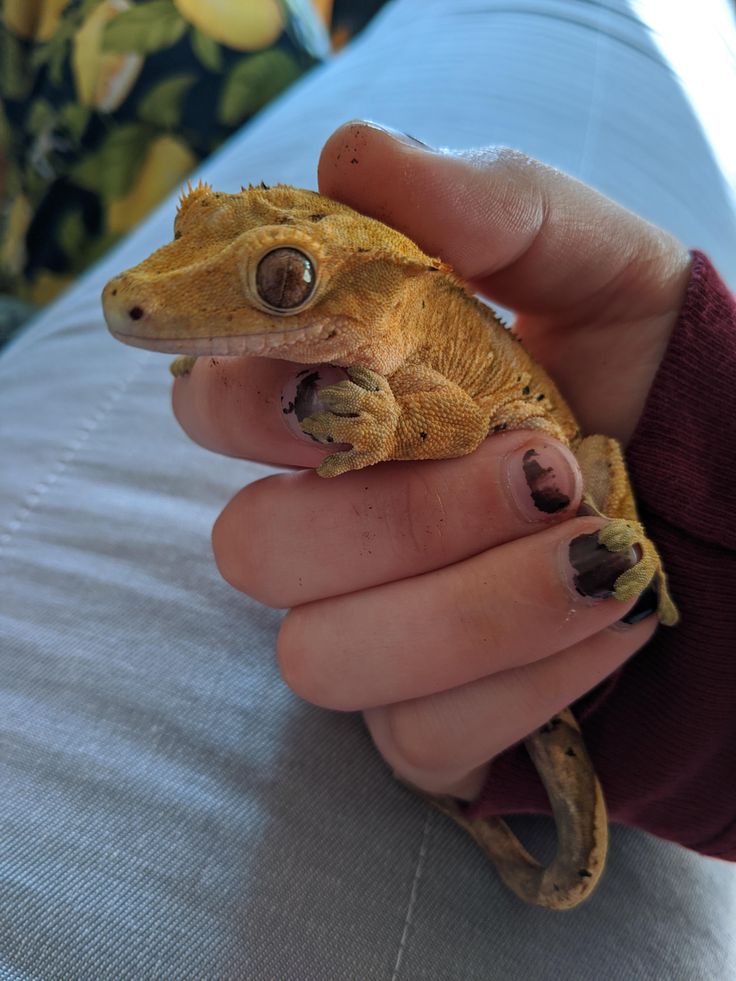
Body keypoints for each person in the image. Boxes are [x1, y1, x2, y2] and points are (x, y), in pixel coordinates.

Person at [173, 119, 736, 861]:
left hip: (571, 523)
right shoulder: (371, 322)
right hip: (538, 618)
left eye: (283, 280)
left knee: (587, 462)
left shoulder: (396, 327)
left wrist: (385, 428)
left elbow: (464, 419)